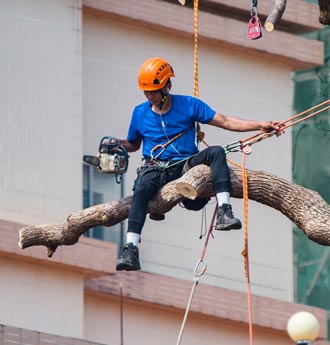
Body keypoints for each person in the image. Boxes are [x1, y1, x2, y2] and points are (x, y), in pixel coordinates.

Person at [115, 57, 281, 271]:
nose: (150, 96)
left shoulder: (188, 105)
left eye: (154, 91)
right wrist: (116, 144)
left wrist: (260, 125)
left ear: (167, 86)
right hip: (155, 167)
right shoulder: (140, 112)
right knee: (141, 189)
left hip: (185, 165)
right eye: (146, 92)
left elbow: (226, 121)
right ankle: (131, 249)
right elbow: (134, 144)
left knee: (216, 152)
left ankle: (224, 211)